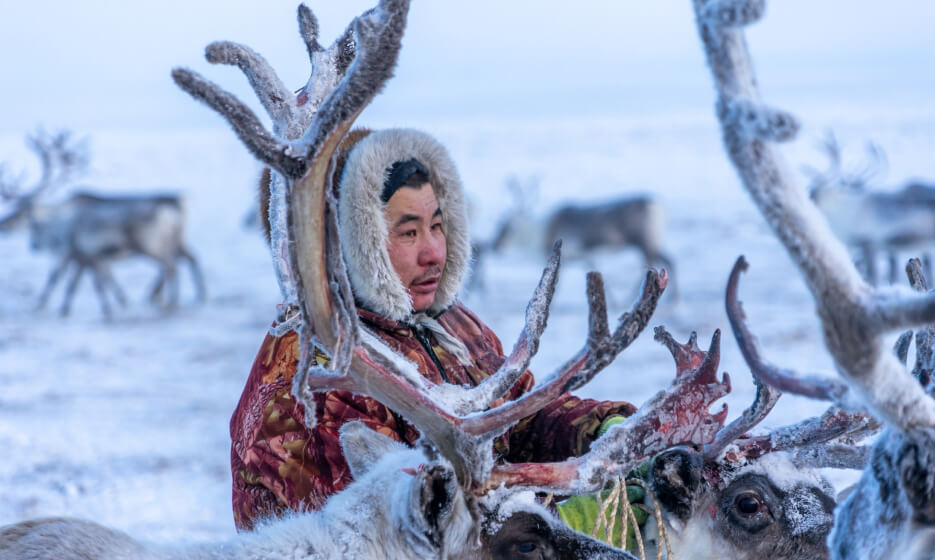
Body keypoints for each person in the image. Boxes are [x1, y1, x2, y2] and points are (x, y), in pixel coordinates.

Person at [230, 128, 637, 530]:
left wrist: (608, 433)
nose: (434, 254)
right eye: (408, 232)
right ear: (345, 246)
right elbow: (413, 526)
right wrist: (556, 524)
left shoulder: (452, 326)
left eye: (437, 226)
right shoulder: (309, 381)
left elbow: (522, 417)